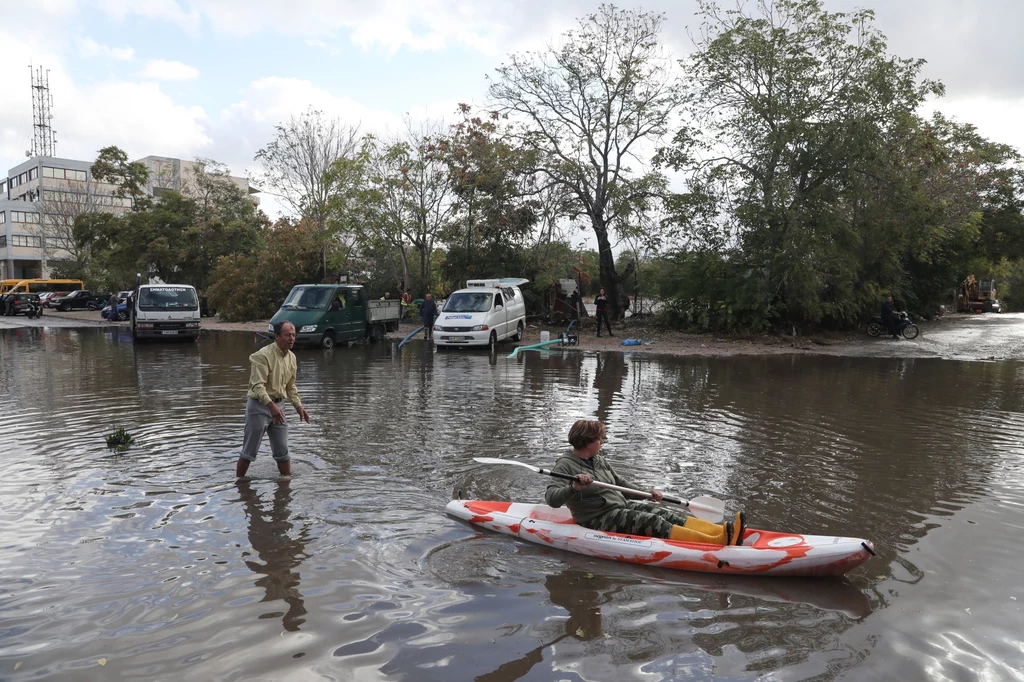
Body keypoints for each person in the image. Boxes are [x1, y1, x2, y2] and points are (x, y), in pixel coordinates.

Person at [545, 420, 744, 545]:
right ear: (588, 442)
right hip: (595, 518)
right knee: (653, 522)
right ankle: (714, 542)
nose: (602, 442)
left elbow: (620, 483)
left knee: (665, 514)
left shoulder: (598, 460)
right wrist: (574, 487)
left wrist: (647, 494)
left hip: (619, 507)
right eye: (600, 439)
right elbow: (552, 499)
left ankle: (720, 531)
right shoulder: (565, 465)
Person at [236, 321, 311, 478]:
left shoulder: (292, 358)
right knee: (249, 451)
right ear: (277, 336)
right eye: (287, 335)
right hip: (259, 406)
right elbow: (258, 387)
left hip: (279, 405)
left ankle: (286, 485)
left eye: (293, 335)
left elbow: (290, 386)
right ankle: (239, 483)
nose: (291, 339)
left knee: (282, 450)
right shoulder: (262, 356)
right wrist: (271, 406)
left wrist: (299, 407)